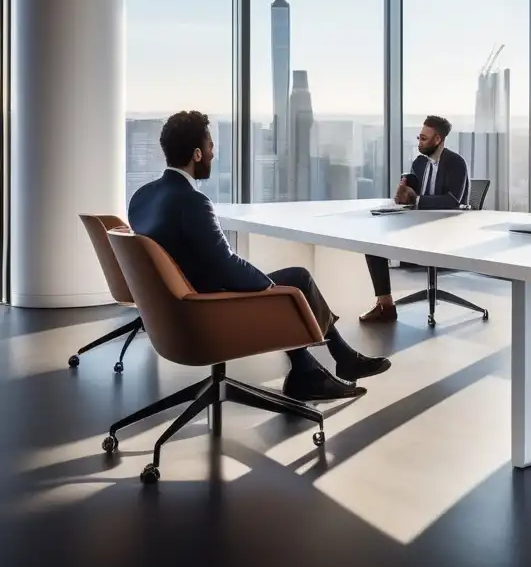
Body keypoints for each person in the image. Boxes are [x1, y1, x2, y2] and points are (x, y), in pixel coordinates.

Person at [128, 110, 391, 402]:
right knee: (295, 283)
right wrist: (268, 286)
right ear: (198, 154)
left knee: (292, 281)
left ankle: (313, 367)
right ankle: (336, 360)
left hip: (172, 307)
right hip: (205, 310)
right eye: (211, 146)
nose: (215, 152)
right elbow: (225, 266)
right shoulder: (192, 201)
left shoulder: (142, 196)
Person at [359, 115, 469, 323]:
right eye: (419, 138)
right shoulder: (419, 163)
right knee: (373, 242)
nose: (419, 143)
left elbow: (453, 200)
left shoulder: (456, 163)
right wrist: (404, 193)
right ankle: (386, 305)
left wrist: (416, 200)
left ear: (438, 139)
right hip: (417, 223)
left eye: (424, 139)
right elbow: (413, 197)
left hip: (445, 227)